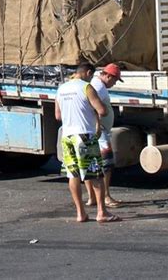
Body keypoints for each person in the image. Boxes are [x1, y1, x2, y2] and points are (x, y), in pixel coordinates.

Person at [55, 62, 120, 223]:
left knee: (73, 174)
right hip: (84, 136)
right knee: (95, 174)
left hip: (67, 136)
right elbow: (102, 110)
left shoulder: (61, 89)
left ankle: (80, 213)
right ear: (88, 73)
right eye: (91, 76)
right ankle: (101, 212)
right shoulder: (86, 87)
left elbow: (58, 116)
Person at [85, 63, 123, 208]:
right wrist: (97, 126)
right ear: (107, 75)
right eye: (114, 80)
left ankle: (92, 197)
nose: (114, 84)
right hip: (99, 130)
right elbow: (94, 107)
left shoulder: (95, 84)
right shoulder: (99, 87)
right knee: (106, 163)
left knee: (90, 163)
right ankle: (105, 196)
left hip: (97, 129)